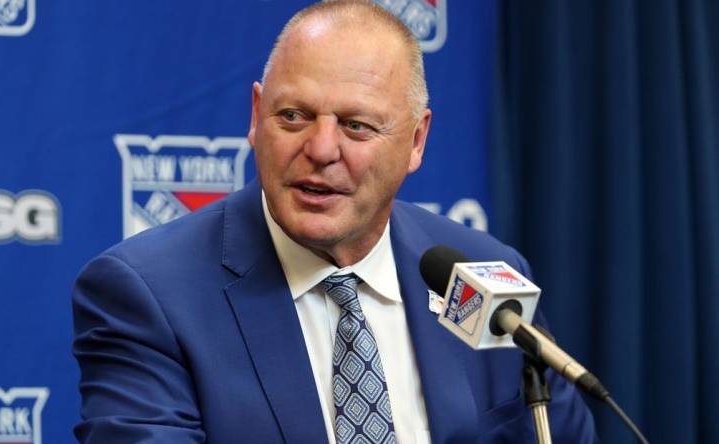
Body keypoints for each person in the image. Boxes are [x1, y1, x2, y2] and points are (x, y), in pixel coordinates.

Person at [72, 1, 597, 443]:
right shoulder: (149, 295)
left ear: (416, 141)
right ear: (256, 117)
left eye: (356, 125)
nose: (321, 149)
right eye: (293, 117)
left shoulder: (483, 273)